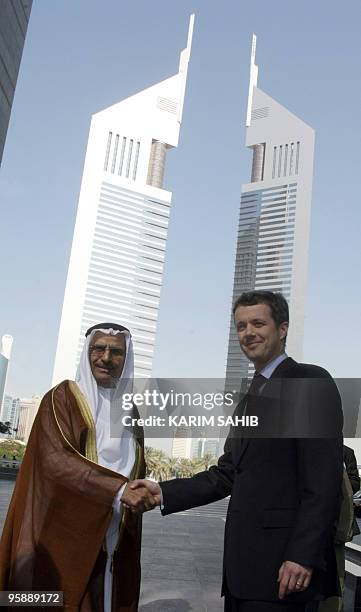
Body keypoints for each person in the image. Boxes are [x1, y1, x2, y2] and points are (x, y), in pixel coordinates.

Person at [130, 291, 344, 611]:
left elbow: (323, 482)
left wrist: (302, 555)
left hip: (287, 571)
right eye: (241, 326)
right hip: (243, 570)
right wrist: (163, 492)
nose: (248, 333)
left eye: (258, 323)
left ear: (282, 329)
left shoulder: (309, 380)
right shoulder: (249, 398)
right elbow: (226, 473)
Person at [0, 322, 156, 611]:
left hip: (115, 535)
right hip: (65, 532)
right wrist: (118, 489)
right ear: (88, 353)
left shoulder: (131, 413)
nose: (106, 358)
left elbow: (137, 467)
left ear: (126, 358)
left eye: (116, 352)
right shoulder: (62, 399)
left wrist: (144, 492)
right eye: (99, 349)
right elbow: (56, 460)